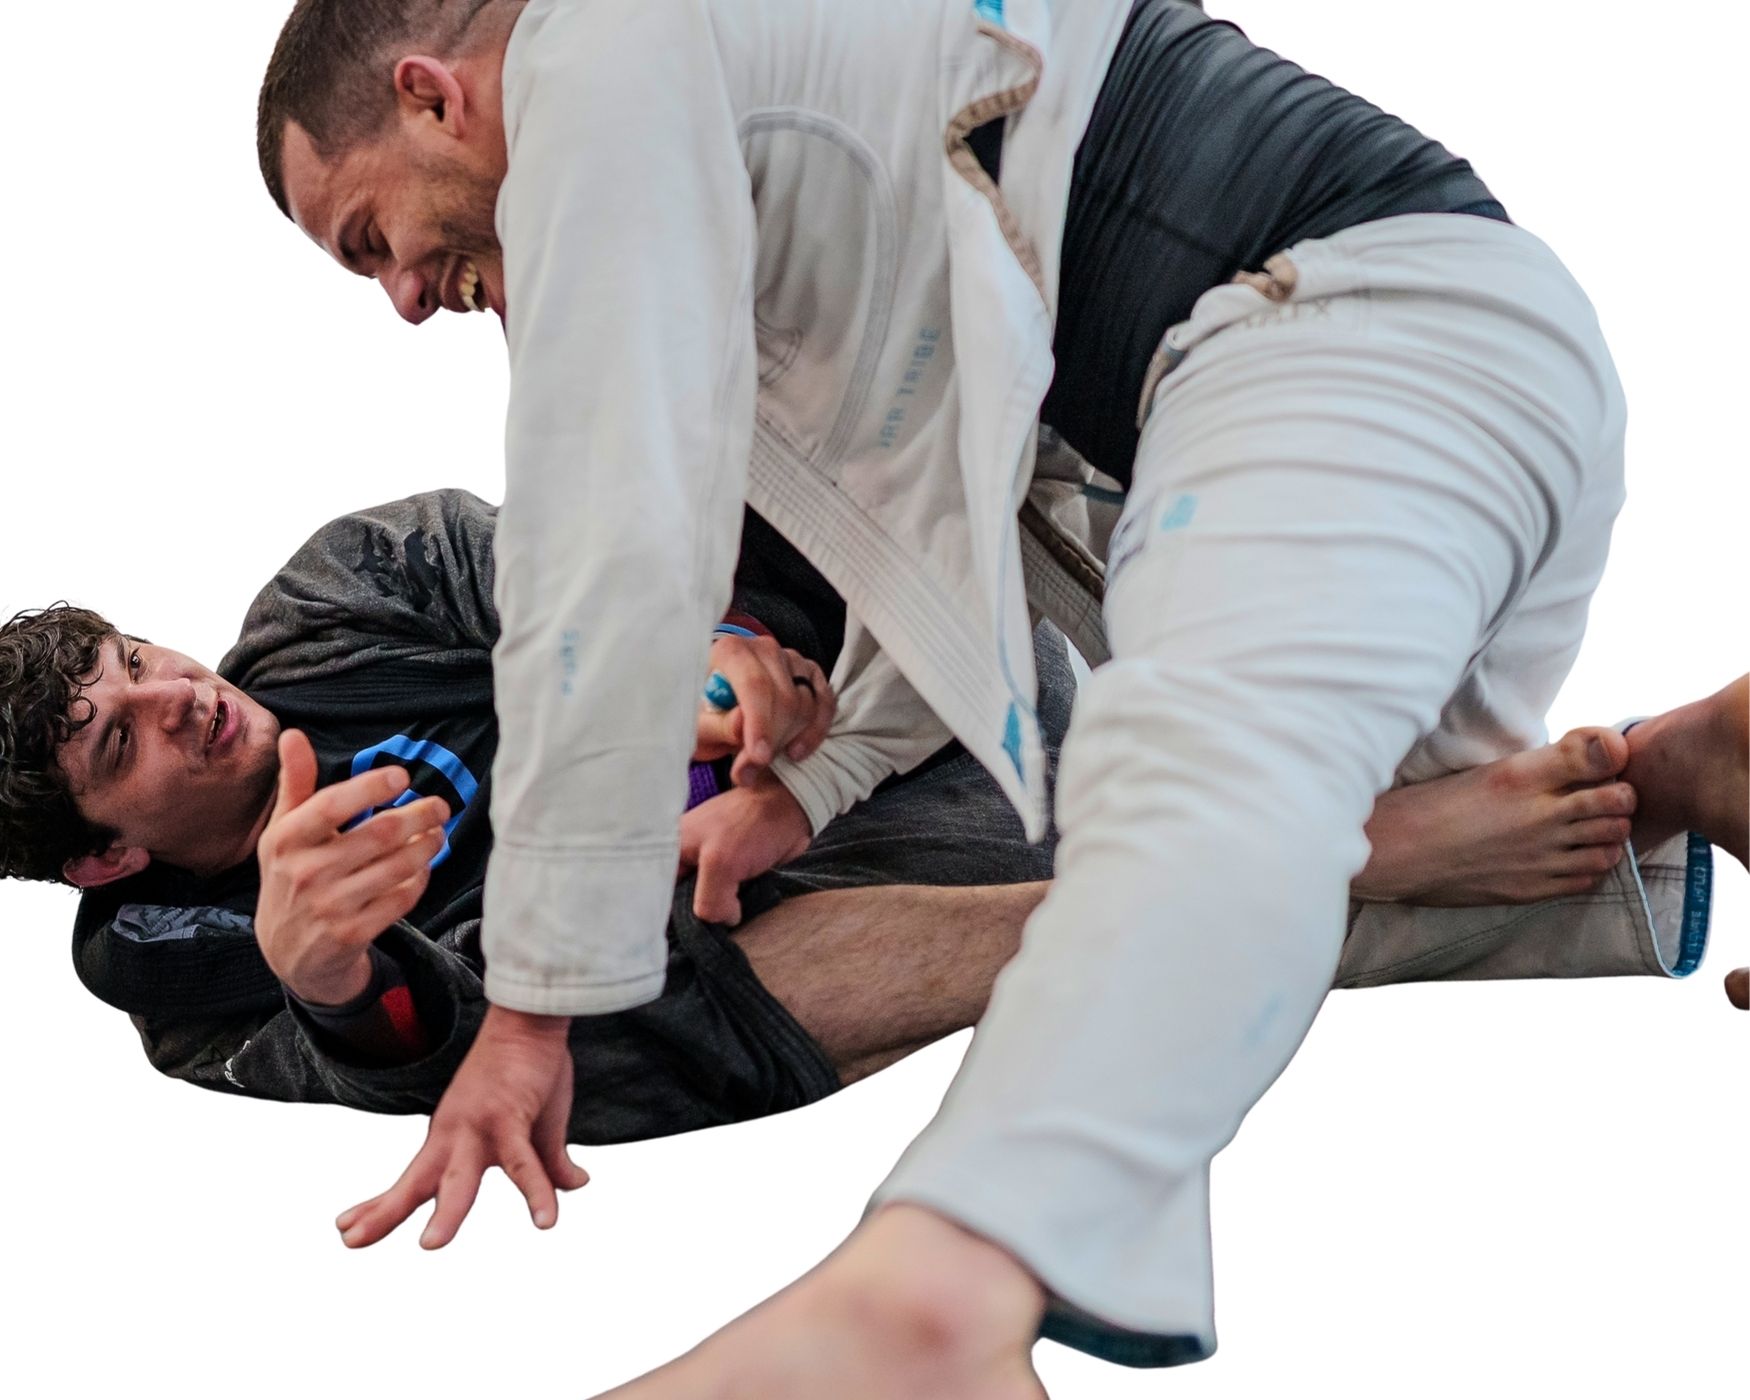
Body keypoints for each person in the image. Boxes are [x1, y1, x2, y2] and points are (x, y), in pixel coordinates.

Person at [255, 0, 1749, 1388]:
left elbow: (610, 525)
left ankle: (945, 1287)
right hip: (1450, 380)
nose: (398, 296)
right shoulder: (755, 113)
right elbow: (945, 512)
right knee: (1348, 854)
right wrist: (815, 791)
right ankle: (1706, 768)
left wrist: (530, 1012)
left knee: (1185, 797)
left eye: (366, 237)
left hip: (1331, 337)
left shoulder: (598, 49)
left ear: (430, 95)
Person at [4, 489, 1717, 1155]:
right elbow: (427, 1060)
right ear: (103, 853)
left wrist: (727, 678)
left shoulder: (329, 599)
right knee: (583, 1025)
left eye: (137, 657)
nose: (171, 693)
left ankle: (1650, 784)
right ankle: (1590, 800)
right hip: (767, 964)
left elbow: (575, 575)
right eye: (113, 738)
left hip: (857, 747)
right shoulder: (170, 970)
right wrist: (325, 977)